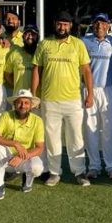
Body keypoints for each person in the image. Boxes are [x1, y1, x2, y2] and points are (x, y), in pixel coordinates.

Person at [31, 11, 94, 186]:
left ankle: (79, 172)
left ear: (70, 26)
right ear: (55, 24)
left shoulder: (78, 44)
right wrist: (33, 95)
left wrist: (90, 93)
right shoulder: (44, 44)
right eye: (59, 23)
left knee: (76, 138)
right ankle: (54, 172)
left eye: (65, 24)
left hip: (73, 100)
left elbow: (86, 70)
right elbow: (37, 70)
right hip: (49, 100)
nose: (62, 27)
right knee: (52, 138)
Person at [0, 89, 47, 196]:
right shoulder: (6, 115)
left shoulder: (37, 121)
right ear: (15, 104)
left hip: (24, 157)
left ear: (31, 106)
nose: (22, 106)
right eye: (19, 102)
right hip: (6, 156)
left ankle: (27, 181)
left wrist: (22, 156)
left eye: (26, 103)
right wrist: (15, 144)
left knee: (37, 168)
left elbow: (39, 148)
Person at [82, 13, 112, 179]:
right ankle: (94, 166)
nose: (99, 26)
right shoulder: (84, 41)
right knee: (90, 129)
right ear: (92, 24)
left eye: (103, 23)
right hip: (89, 90)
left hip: (108, 89)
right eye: (96, 23)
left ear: (108, 25)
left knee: (109, 129)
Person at [4, 25, 39, 97]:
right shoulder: (15, 53)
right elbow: (7, 75)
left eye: (33, 34)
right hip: (19, 97)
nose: (30, 36)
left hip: (37, 98)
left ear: (37, 37)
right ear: (22, 37)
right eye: (27, 34)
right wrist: (17, 85)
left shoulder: (41, 53)